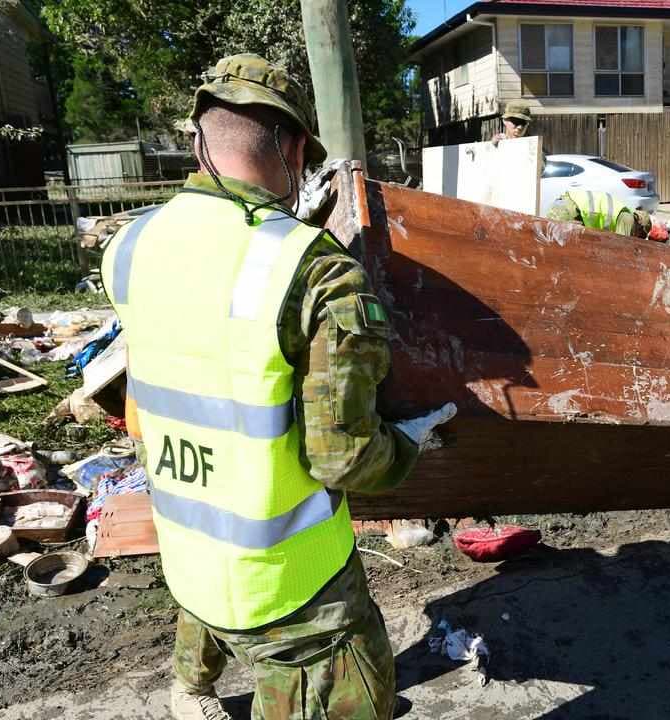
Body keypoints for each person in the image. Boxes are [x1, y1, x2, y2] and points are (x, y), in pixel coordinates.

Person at [102, 53, 455, 720]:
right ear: (294, 149)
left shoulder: (130, 246)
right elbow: (340, 456)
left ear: (197, 139)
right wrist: (407, 445)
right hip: (293, 593)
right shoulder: (314, 271)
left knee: (211, 610)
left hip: (186, 551)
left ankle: (191, 689)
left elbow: (161, 388)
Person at [544, 188, 666, 240]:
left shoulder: (622, 213)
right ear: (639, 224)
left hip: (564, 206)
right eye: (640, 234)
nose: (637, 236)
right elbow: (622, 247)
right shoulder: (628, 220)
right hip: (569, 211)